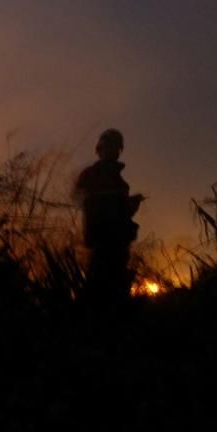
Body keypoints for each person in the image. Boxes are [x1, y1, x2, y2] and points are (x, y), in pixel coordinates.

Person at [74, 129, 144, 302]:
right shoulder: (90, 174)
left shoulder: (122, 184)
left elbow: (123, 215)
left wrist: (131, 205)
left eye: (115, 147)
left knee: (116, 297)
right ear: (100, 149)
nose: (112, 151)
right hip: (100, 246)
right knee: (96, 296)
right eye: (108, 147)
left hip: (119, 249)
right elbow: (80, 198)